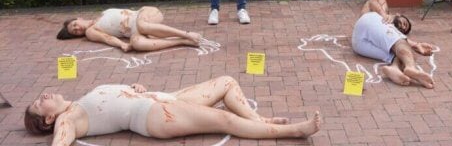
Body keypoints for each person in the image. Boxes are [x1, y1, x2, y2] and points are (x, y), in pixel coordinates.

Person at [24, 75, 321, 144]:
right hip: (153, 115)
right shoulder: (67, 117)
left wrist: (134, 87)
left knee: (228, 82)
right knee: (224, 119)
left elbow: (113, 98)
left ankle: (260, 120)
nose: (43, 95)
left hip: (161, 97)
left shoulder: (79, 100)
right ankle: (294, 130)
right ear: (49, 118)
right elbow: (60, 143)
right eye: (40, 103)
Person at [353, 0, 436, 88]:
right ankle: (410, 67)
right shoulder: (383, 15)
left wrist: (416, 45)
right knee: (401, 44)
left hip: (359, 44)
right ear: (398, 15)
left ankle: (394, 68)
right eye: (404, 23)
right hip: (368, 20)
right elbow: (373, 0)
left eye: (404, 30)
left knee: (400, 53)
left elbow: (396, 39)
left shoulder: (386, 28)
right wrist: (383, 14)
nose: (403, 27)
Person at [57, 6, 203, 52]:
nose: (77, 29)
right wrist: (122, 44)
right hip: (136, 30)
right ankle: (181, 41)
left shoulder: (102, 14)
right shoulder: (90, 31)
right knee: (138, 44)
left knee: (142, 25)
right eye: (74, 32)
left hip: (145, 13)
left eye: (74, 25)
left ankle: (188, 34)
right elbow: (107, 38)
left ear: (78, 18)